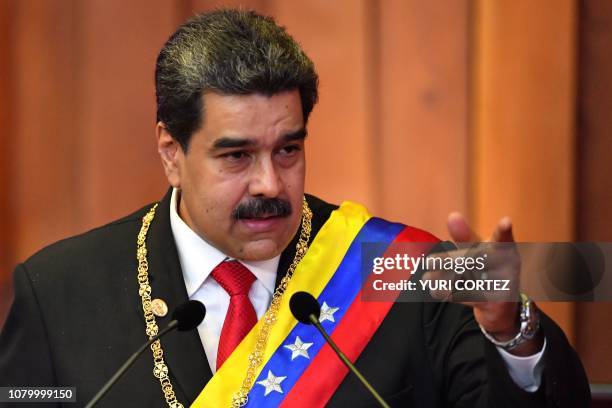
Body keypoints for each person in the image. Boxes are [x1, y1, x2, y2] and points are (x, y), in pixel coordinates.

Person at [0, 9, 590, 408]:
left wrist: (513, 334)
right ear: (171, 152)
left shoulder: (400, 272)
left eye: (288, 149)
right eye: (236, 156)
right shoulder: (60, 291)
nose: (269, 183)